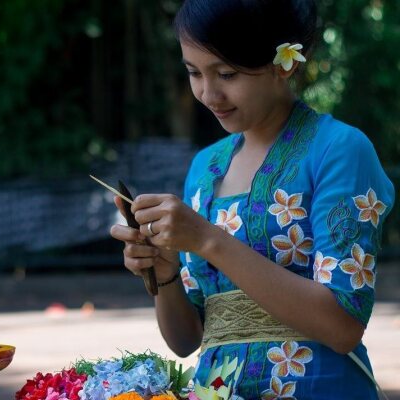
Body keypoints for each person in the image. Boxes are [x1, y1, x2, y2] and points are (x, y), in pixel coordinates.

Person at [109, 0, 395, 398]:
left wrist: (209, 240)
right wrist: (165, 272)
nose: (209, 93)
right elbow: (188, 340)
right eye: (194, 72)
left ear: (285, 63)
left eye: (227, 73)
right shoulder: (205, 169)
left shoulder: (339, 150)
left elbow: (342, 327)